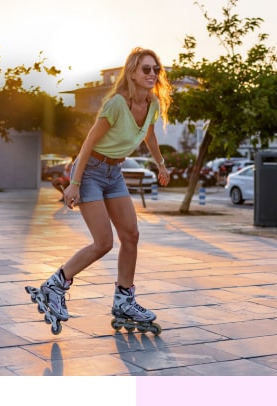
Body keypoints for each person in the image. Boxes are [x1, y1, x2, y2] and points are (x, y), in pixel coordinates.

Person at [39, 47, 171, 327]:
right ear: (133, 73)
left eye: (155, 69)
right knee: (103, 243)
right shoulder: (116, 104)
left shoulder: (153, 104)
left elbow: (149, 135)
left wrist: (160, 164)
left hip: (114, 172)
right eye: (146, 69)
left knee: (131, 236)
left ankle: (124, 301)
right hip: (89, 173)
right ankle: (55, 285)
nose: (152, 74)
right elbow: (88, 143)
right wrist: (74, 183)